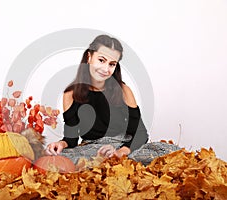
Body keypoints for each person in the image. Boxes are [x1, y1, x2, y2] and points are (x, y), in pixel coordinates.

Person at [45, 35, 149, 164]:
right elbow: (71, 138)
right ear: (89, 57)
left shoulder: (123, 90)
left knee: (162, 154)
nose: (105, 69)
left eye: (112, 64)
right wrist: (61, 143)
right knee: (57, 161)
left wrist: (120, 152)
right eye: (101, 60)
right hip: (91, 149)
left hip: (123, 147)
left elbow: (141, 134)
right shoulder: (70, 94)